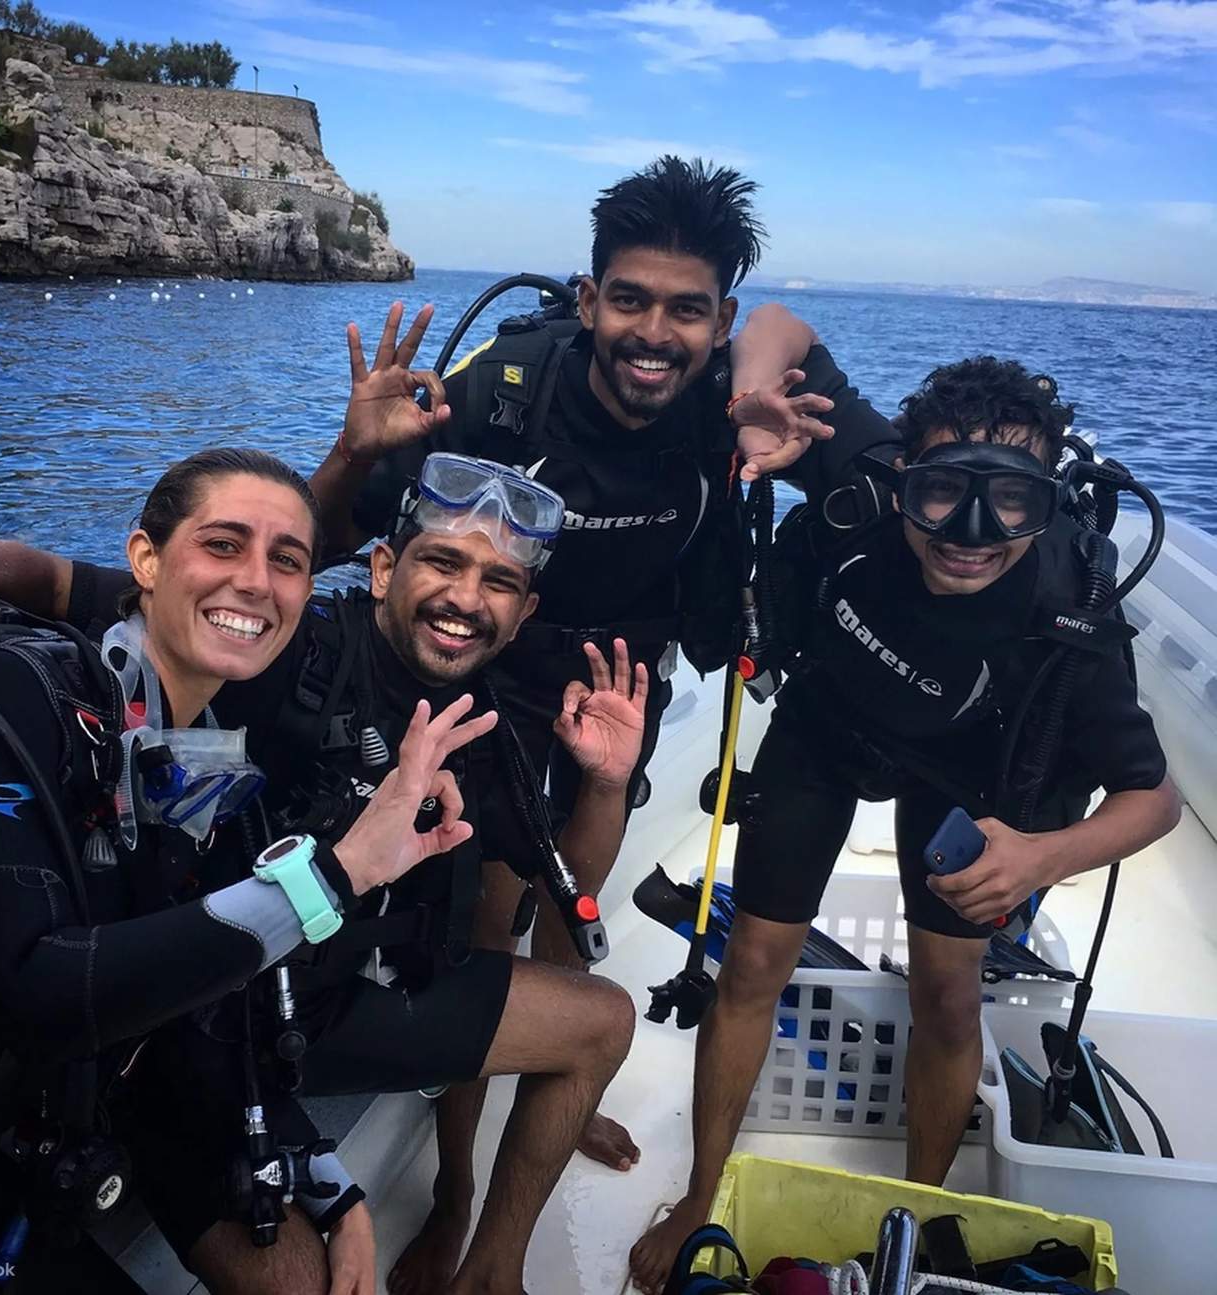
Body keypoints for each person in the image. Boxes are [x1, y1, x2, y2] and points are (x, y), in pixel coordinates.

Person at [0, 451, 645, 1295]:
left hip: (259, 1020)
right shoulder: (266, 646)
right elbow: (38, 574)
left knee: (598, 1016)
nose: (462, 598)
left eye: (496, 581)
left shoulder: (475, 728)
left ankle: (485, 1259)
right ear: (381, 568)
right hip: (166, 1033)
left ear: (520, 617)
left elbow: (567, 879)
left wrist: (605, 781)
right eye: (443, 561)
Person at [303, 160, 830, 1286]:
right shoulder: (500, 390)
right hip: (485, 662)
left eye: (686, 309)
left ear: (719, 321)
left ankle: (553, 1095)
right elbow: (326, 538)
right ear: (586, 300)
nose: (653, 331)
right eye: (628, 299)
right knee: (482, 916)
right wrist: (353, 448)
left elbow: (792, 338)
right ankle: (453, 1189)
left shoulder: (721, 404)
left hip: (612, 671)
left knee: (573, 899)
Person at [627, 343, 1182, 1292]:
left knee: (946, 992)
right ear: (902, 478)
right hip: (824, 726)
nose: (970, 529)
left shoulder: (1065, 613)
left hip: (968, 773)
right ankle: (698, 1189)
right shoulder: (862, 470)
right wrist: (757, 382)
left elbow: (1155, 799)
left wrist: (1041, 855)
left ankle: (916, 1208)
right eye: (941, 494)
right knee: (753, 961)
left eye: (1010, 498)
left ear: (1047, 498)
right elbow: (777, 322)